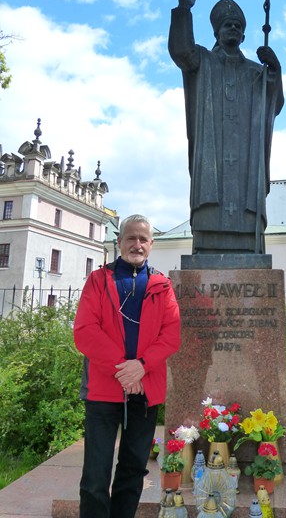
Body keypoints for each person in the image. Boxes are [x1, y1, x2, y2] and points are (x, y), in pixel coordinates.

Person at [73, 214, 181, 518]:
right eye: (131, 238)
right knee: (95, 476)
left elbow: (171, 335)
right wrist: (125, 369)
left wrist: (142, 367)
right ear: (119, 242)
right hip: (103, 390)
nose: (137, 244)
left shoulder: (162, 285)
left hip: (145, 391)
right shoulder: (98, 280)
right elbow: (85, 331)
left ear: (151, 244)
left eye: (143, 239)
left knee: (133, 471)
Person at [168, 0, 284, 255]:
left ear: (243, 36)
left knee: (246, 199)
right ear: (217, 32)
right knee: (210, 198)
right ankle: (208, 235)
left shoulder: (256, 72)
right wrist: (183, 11)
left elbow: (274, 105)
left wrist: (274, 70)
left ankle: (247, 240)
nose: (232, 28)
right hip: (212, 154)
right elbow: (181, 52)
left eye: (237, 26)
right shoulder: (202, 60)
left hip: (246, 160)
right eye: (227, 25)